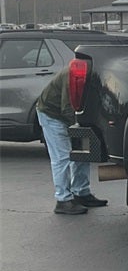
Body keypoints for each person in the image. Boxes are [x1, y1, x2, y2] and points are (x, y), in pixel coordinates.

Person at [36, 65, 107, 214]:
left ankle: (82, 193)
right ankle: (63, 200)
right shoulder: (74, 77)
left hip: (70, 115)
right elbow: (67, 108)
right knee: (62, 158)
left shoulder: (94, 74)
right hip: (51, 114)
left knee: (83, 154)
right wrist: (78, 129)